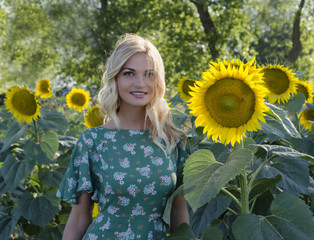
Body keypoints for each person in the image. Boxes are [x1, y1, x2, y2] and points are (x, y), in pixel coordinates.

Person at [57, 33, 190, 240]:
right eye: (129, 73)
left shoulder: (172, 140)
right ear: (115, 78)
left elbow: (179, 217)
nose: (140, 83)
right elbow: (79, 218)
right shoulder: (92, 141)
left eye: (149, 74)